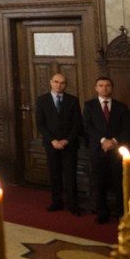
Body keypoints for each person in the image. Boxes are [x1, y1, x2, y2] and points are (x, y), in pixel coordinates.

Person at [83, 76, 130, 223]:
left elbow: (128, 128)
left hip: (117, 151)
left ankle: (121, 212)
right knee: (99, 182)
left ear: (112, 88)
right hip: (98, 150)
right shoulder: (90, 106)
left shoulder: (121, 107)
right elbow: (87, 126)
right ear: (96, 88)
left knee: (119, 181)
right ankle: (101, 211)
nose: (104, 88)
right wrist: (103, 141)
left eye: (107, 86)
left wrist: (114, 142)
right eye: (101, 85)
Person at [35, 73, 83, 215]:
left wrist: (67, 140)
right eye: (56, 82)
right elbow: (40, 124)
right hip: (51, 144)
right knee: (54, 174)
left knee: (70, 175)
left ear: (66, 85)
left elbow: (77, 124)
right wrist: (53, 141)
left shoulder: (73, 101)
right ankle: (56, 201)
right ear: (51, 82)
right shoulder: (42, 100)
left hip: (70, 144)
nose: (58, 85)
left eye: (62, 83)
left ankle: (73, 204)